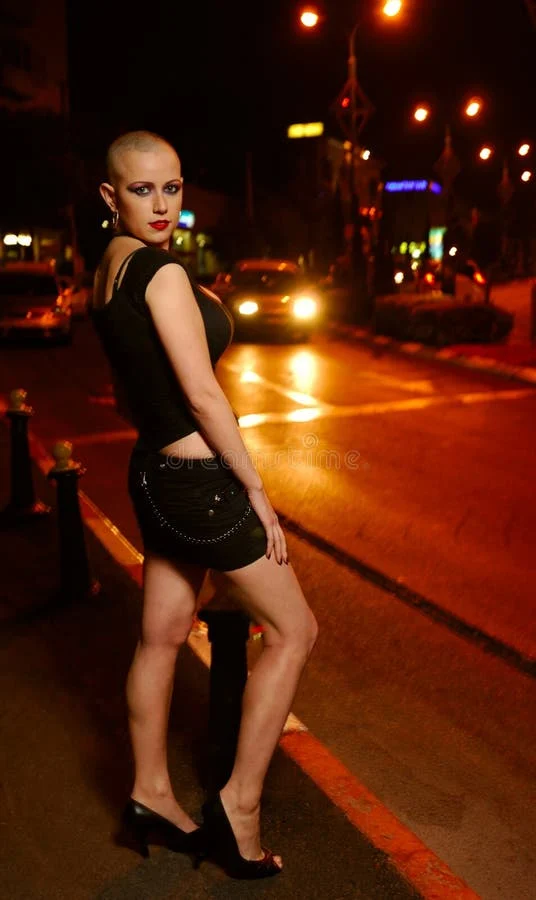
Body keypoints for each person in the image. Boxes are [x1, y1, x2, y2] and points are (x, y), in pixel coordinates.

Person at [90, 130, 318, 879]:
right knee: (294, 630)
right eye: (141, 190)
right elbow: (202, 394)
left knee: (160, 635)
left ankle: (151, 793)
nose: (161, 205)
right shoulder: (156, 273)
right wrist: (254, 486)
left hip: (152, 475)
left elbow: (135, 388)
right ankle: (239, 805)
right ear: (110, 195)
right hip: (198, 484)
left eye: (173, 188)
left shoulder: (109, 272)